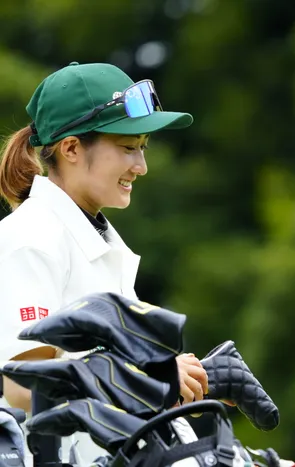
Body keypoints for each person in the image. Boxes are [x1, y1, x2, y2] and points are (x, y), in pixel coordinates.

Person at [0, 61, 209, 466]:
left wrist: (193, 380)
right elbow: (25, 387)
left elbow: (106, 377)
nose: (140, 166)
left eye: (143, 147)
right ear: (71, 149)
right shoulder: (30, 238)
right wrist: (150, 377)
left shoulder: (95, 238)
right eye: (128, 147)